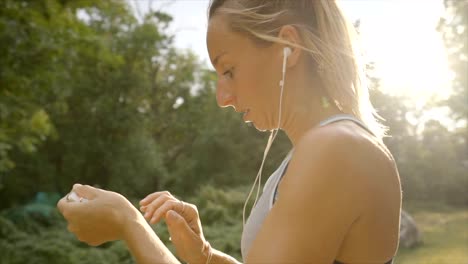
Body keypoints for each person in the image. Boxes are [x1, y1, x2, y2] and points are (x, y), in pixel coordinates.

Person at [57, 0, 401, 263]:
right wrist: (206, 256)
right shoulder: (321, 148)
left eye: (229, 70)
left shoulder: (335, 150)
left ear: (288, 48)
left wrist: (127, 222)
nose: (222, 98)